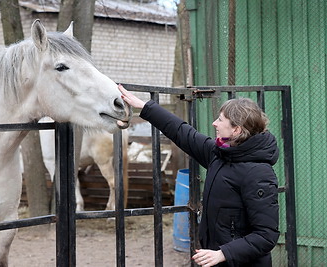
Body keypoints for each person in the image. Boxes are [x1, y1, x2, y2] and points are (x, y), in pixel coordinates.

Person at [118, 84, 280, 267]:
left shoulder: (258, 173)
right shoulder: (221, 153)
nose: (214, 123)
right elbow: (183, 133)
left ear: (236, 130)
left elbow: (266, 235)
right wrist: (145, 107)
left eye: (220, 120)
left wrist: (223, 254)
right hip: (216, 259)